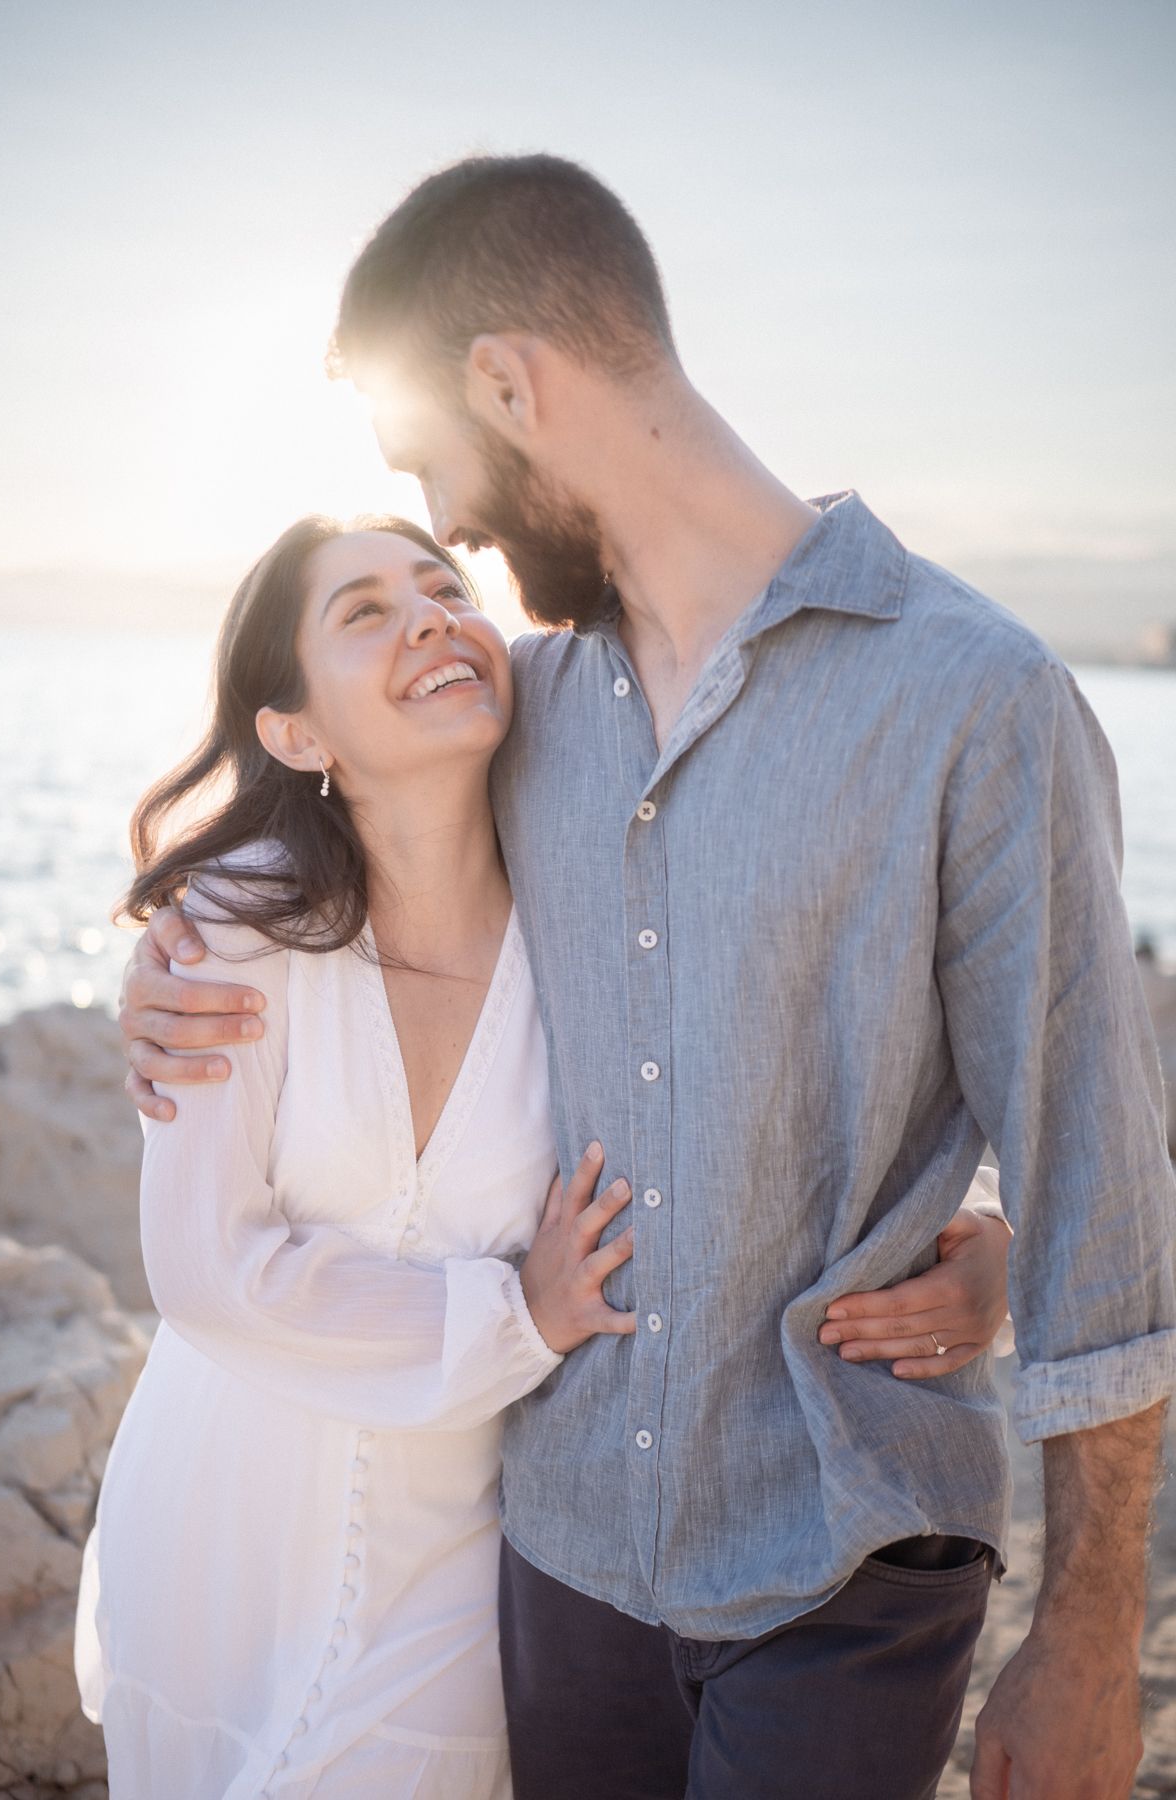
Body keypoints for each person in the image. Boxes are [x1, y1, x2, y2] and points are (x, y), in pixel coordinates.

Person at [120, 157, 1176, 1800]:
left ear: (505, 384)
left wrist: (1093, 1631)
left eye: (428, 468)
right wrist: (169, 967)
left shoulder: (980, 703)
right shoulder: (514, 703)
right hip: (559, 1562)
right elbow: (339, 846)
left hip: (845, 1554)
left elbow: (1101, 1193)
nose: (446, 523)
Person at [81, 514, 1011, 1800]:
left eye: (442, 586)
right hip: (227, 1521)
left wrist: (979, 1224)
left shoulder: (591, 908)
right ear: (296, 733)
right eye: (362, 611)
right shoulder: (233, 939)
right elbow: (202, 1271)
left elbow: (785, 1058)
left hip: (463, 1547)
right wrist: (513, 1313)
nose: (426, 616)